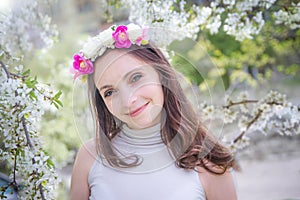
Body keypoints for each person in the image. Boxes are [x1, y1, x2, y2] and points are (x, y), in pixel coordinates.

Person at [70, 23, 238, 200]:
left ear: (160, 74)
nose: (128, 101)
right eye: (109, 92)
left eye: (136, 78)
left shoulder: (209, 163)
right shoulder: (90, 158)